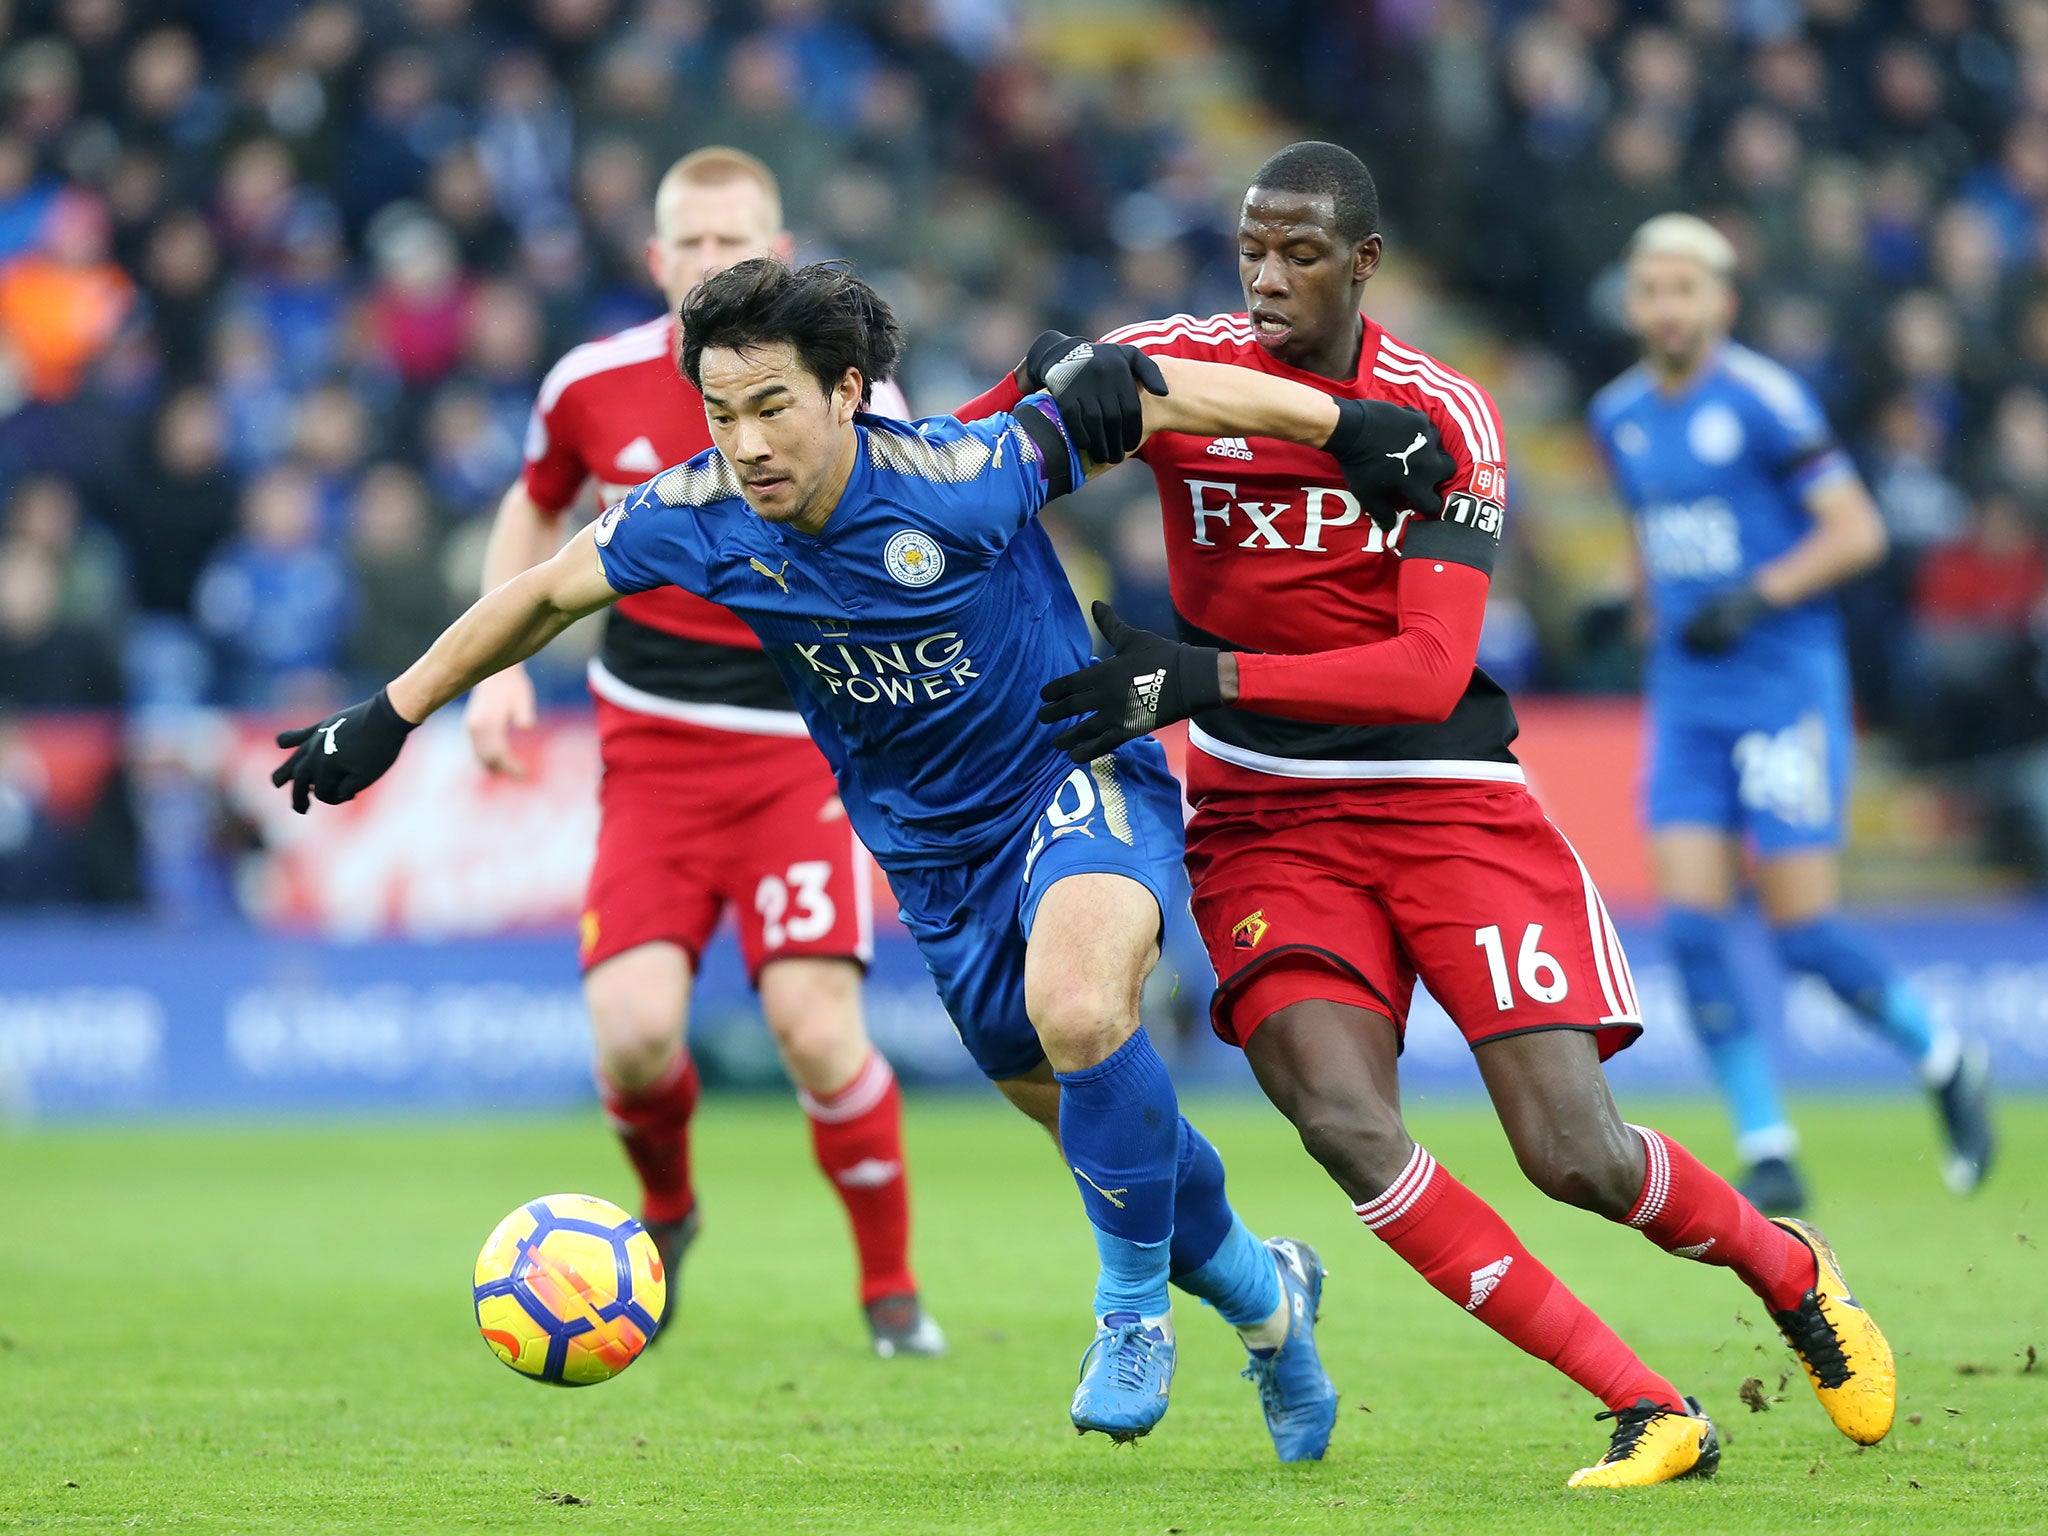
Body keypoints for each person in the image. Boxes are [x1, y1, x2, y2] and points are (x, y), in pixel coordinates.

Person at [264, 256, 1446, 1455]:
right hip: (934, 860)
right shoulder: (699, 517)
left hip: (1072, 773)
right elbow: (546, 593)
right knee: (1104, 1133)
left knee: (1081, 1011)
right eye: (721, 415)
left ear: (845, 392)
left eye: (771, 406)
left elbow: (1149, 396)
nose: (748, 443)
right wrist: (389, 716)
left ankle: (1130, 1314)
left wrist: (1347, 425)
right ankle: (1265, 1296)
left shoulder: (958, 475)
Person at [975, 141, 1897, 1488]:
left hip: (1443, 800)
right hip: (1266, 817)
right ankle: (1650, 1408)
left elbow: (1422, 673)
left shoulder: (1441, 413)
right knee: (1345, 1126)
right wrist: (1039, 380)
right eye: (1251, 250)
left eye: (1300, 254)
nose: (1269, 277)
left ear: (1364, 264)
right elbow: (968, 445)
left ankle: (1789, 1268)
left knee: (1571, 1152)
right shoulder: (1177, 361)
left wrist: (1200, 675)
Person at [463, 147, 936, 1357]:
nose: (715, 257)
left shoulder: (843, 387)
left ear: (778, 252)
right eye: (691, 240)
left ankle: (890, 1297)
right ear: (655, 259)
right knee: (629, 1034)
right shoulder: (589, 382)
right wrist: (501, 661)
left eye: (738, 237)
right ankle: (667, 1213)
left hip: (797, 746)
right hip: (654, 750)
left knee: (817, 1031)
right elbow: (535, 496)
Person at [1586, 213, 1994, 1214]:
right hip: (1686, 698)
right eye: (1651, 289)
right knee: (1686, 926)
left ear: (1719, 302)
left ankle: (1939, 1055)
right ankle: (1765, 1143)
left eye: (1685, 288)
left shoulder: (1764, 399)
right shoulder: (1617, 413)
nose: (1666, 306)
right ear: (1633, 302)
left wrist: (1756, 597)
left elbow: (1853, 531)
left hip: (1779, 692)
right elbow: (1653, 531)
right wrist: (1628, 604)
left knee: (1799, 928)